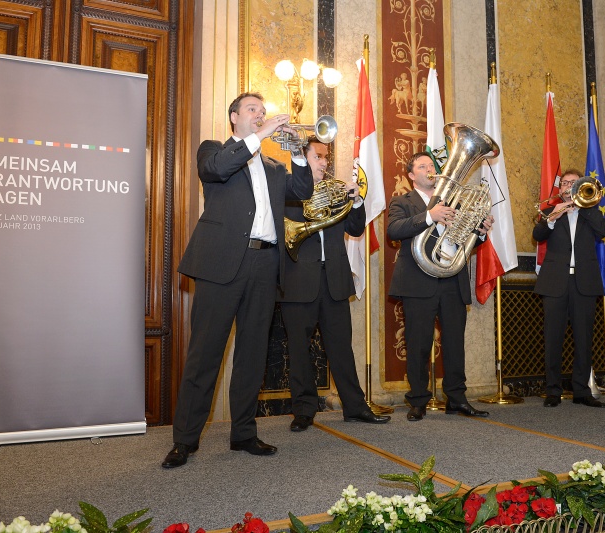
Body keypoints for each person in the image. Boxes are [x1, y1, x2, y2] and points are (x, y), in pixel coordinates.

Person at [162, 92, 313, 468]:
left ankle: (243, 433)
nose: (261, 114)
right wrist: (259, 137)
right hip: (222, 264)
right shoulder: (213, 150)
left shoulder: (276, 170)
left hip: (265, 265)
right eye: (253, 110)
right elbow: (215, 170)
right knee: (205, 354)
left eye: (263, 111)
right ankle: (185, 440)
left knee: (251, 355)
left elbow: (304, 191)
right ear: (234, 118)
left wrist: (297, 151)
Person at [279, 138, 390, 431]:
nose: (325, 163)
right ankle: (303, 410)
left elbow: (355, 229)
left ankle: (355, 407)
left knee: (342, 347)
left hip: (335, 280)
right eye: (318, 157)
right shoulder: (288, 189)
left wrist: (357, 200)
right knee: (300, 350)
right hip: (298, 281)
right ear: (303, 158)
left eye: (326, 158)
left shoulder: (339, 191)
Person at [387, 152, 492, 421]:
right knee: (419, 343)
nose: (430, 169)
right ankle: (418, 400)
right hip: (418, 281)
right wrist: (430, 216)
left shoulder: (454, 200)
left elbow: (462, 239)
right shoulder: (402, 201)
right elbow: (394, 230)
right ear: (411, 175)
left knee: (455, 343)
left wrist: (479, 232)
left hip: (452, 279)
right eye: (422, 166)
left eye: (432, 165)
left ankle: (456, 398)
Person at [533, 169, 605, 408]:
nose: (569, 186)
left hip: (584, 282)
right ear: (559, 189)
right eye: (565, 183)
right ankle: (553, 391)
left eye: (574, 183)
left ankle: (581, 391)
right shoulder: (550, 211)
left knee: (584, 338)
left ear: (581, 186)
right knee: (553, 339)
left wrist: (585, 207)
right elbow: (538, 235)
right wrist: (553, 217)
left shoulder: (591, 211)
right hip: (555, 282)